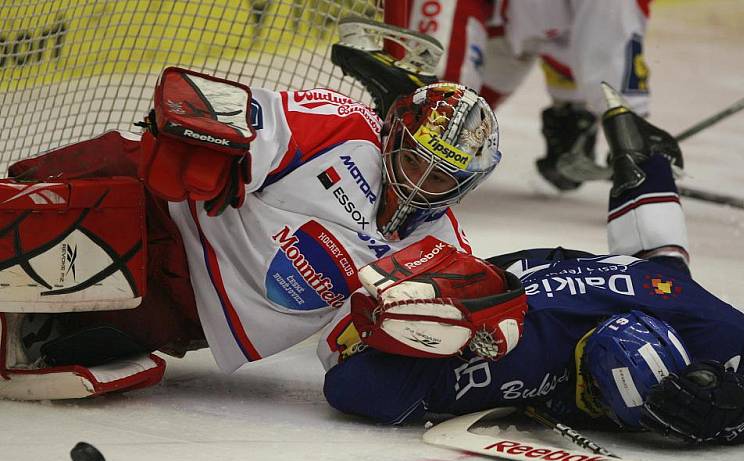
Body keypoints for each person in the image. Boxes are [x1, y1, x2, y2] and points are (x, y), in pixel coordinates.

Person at [319, 85, 744, 445]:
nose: (589, 405)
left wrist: (743, 402)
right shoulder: (527, 353)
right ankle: (647, 161)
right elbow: (351, 387)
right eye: (593, 392)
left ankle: (646, 165)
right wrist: (413, 341)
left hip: (633, 285)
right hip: (537, 290)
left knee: (668, 271)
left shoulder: (692, 318)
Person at [0, 57, 501, 400]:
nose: (418, 186)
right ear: (393, 134)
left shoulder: (440, 253)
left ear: (466, 186)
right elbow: (233, 117)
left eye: (439, 177)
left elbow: (349, 349)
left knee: (54, 329)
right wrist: (220, 154)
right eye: (415, 161)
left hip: (183, 310)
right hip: (161, 209)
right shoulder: (342, 126)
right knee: (49, 202)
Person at [386, 0, 653, 190]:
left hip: (512, 22)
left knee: (458, 129)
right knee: (439, 108)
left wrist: (572, 110)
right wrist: (634, 143)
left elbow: (597, 41)